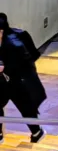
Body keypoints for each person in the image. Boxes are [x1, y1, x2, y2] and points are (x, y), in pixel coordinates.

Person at [0, 13, 45, 143]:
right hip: (7, 80)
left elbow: (28, 58)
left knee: (25, 106)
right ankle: (36, 132)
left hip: (18, 80)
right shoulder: (18, 35)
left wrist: (5, 68)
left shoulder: (15, 42)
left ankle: (37, 132)